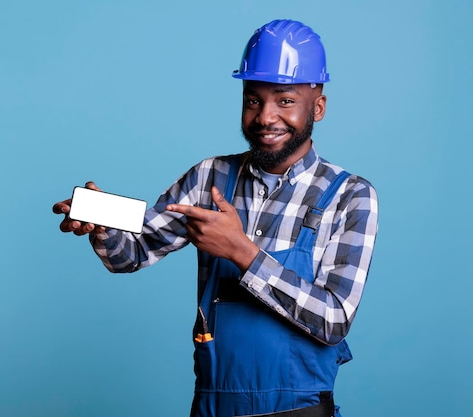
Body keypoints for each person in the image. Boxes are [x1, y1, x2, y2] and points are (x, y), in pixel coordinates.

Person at [53, 19, 378, 417]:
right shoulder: (211, 177)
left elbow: (333, 320)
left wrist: (243, 252)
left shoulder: (350, 196)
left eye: (286, 100)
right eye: (253, 99)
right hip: (212, 406)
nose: (265, 117)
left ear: (319, 107)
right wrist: (103, 227)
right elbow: (130, 255)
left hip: (300, 410)